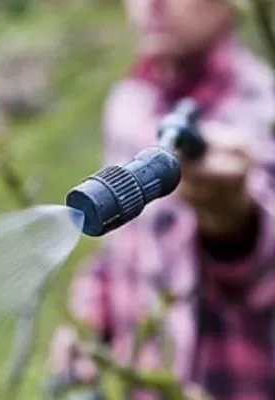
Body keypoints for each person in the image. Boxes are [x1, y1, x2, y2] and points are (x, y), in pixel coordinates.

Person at [49, 0, 275, 399]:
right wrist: (89, 318)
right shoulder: (128, 103)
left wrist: (235, 225)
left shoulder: (263, 116)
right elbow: (116, 251)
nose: (151, 4)